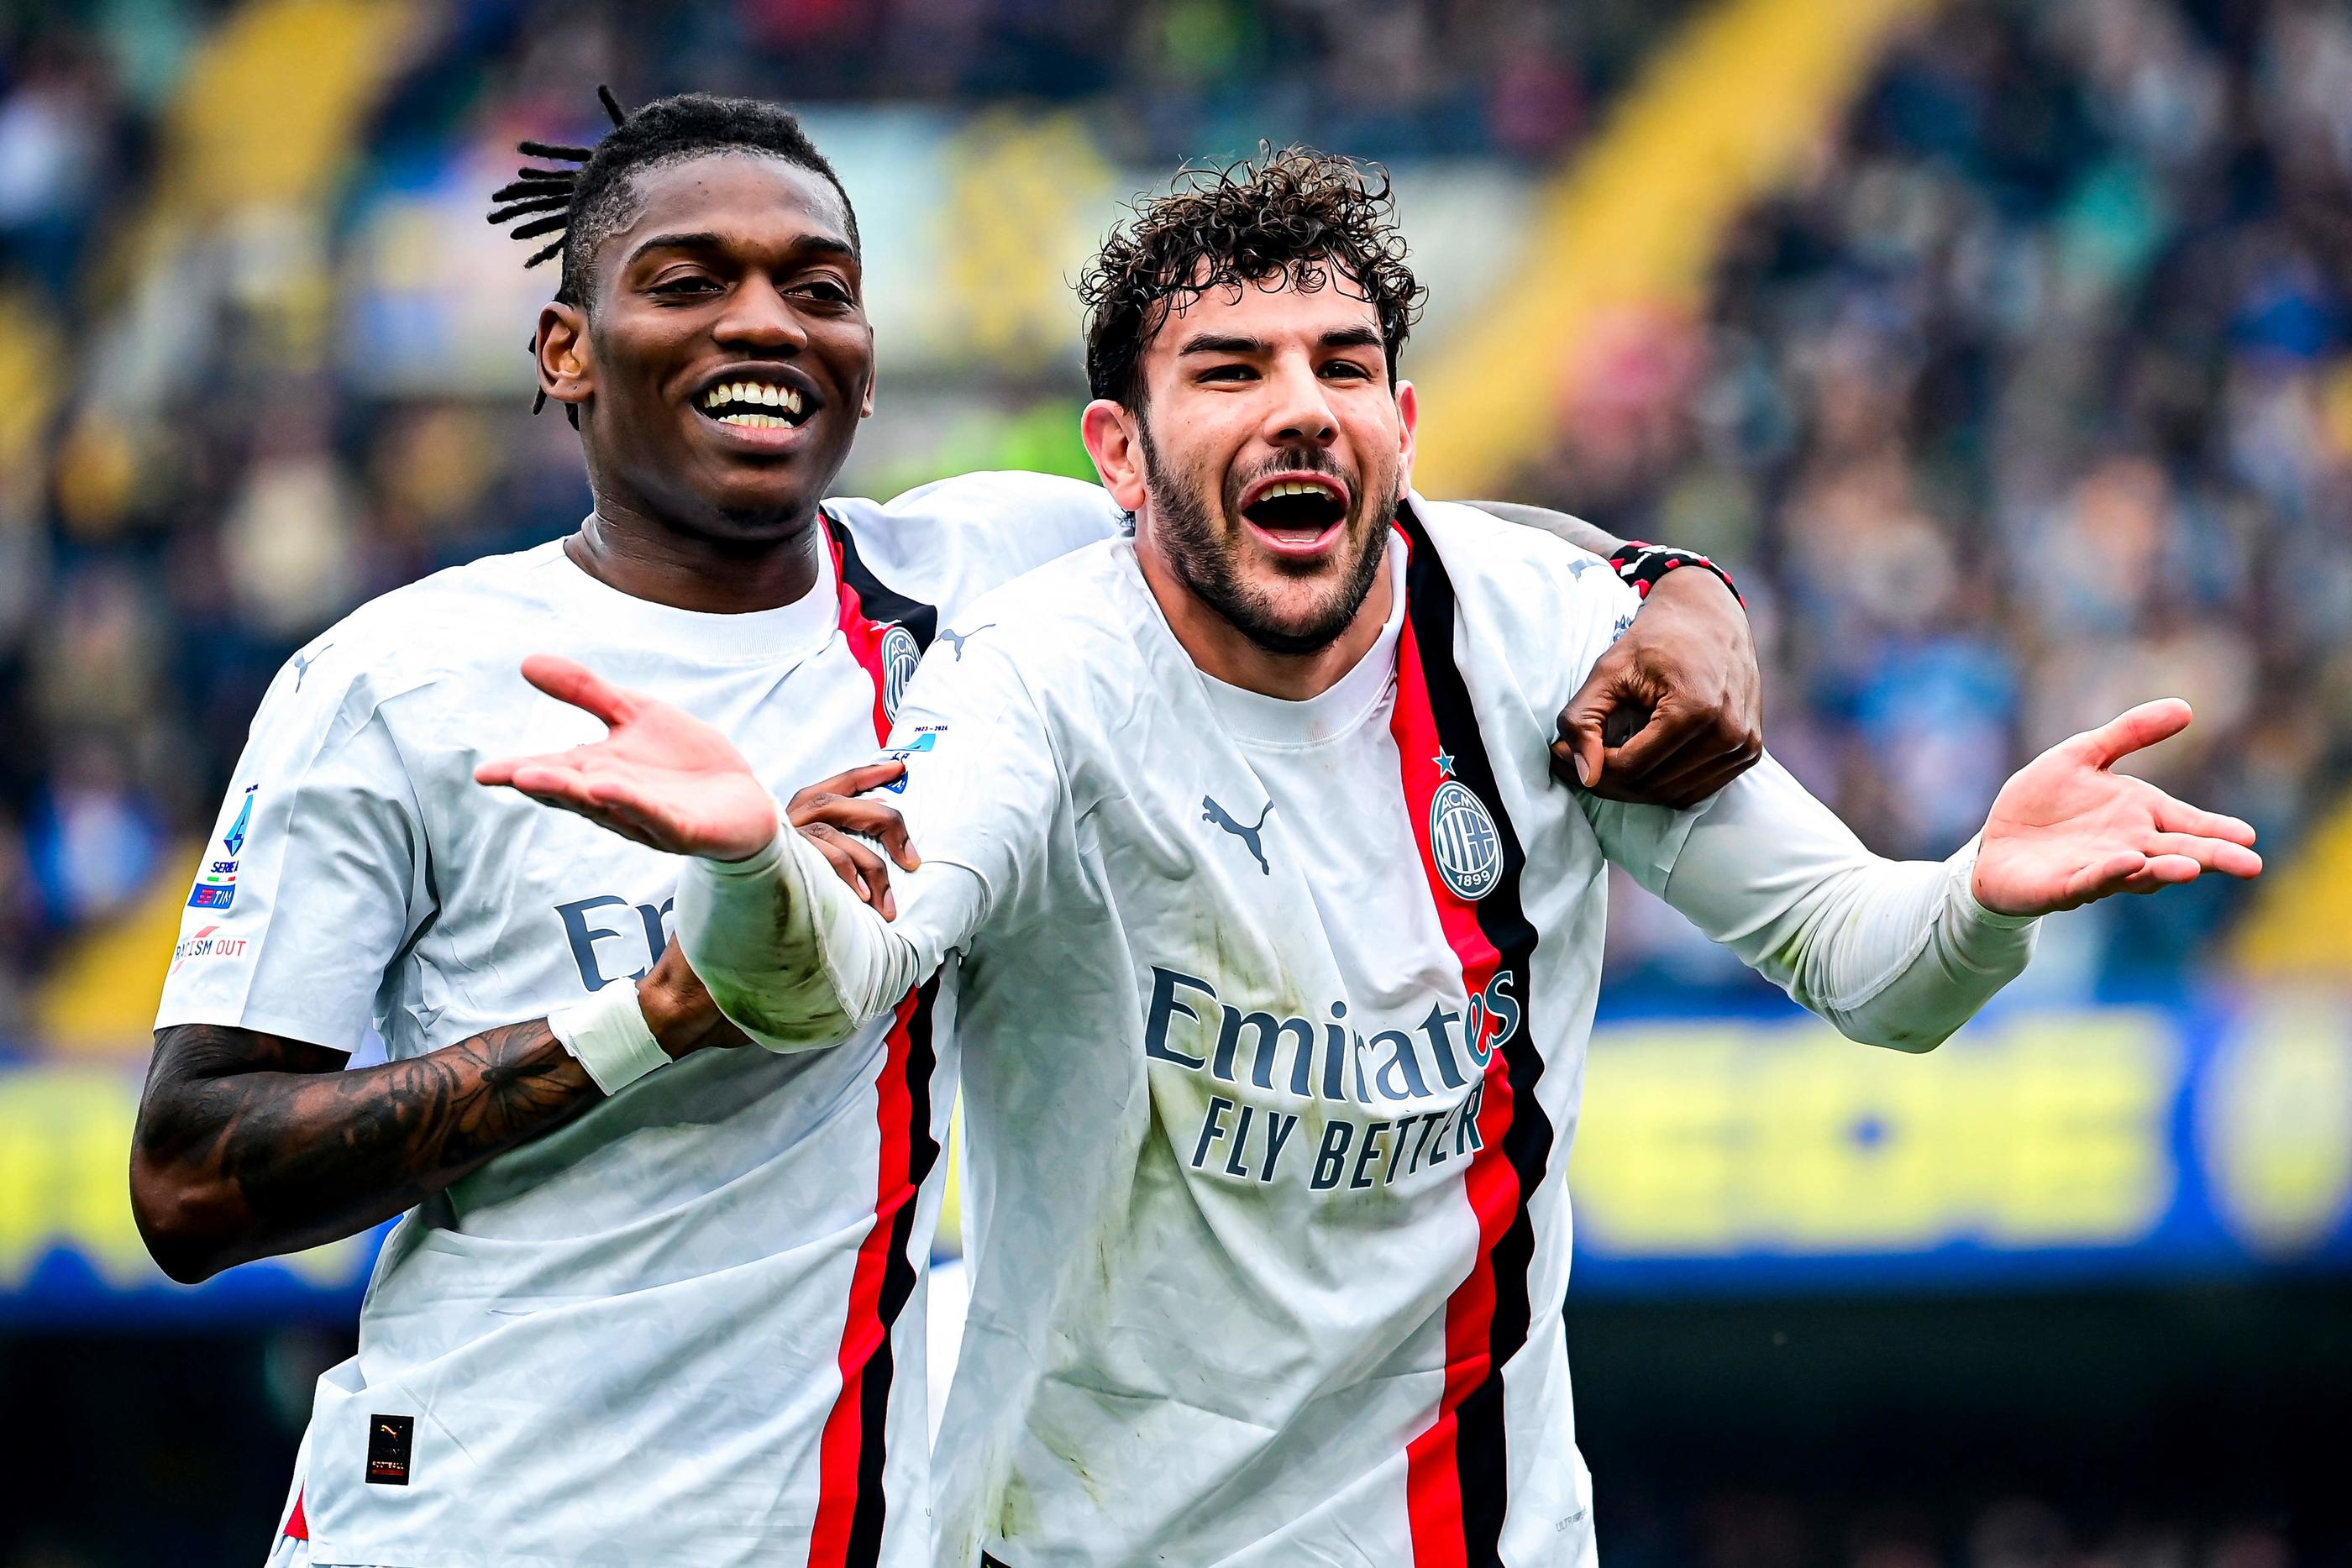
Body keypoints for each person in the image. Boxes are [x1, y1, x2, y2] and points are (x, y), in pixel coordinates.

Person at [481, 149, 2264, 1568]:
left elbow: (1868, 971)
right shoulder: (1035, 677)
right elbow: (839, 969)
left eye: (1343, 366)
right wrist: (740, 864)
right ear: (1116, 449)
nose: (1299, 406)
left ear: (1404, 428)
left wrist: (1976, 893)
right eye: (1228, 370)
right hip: (1066, 1538)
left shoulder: (1552, 635)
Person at [130, 98, 1760, 1568]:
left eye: (816, 285)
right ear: (566, 347)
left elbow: (1391, 533)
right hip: (488, 1524)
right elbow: (193, 1178)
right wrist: (648, 1019)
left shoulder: (999, 586)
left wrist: (1673, 593)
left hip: (878, 1526)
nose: (762, 319)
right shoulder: (397, 683)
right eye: (687, 280)